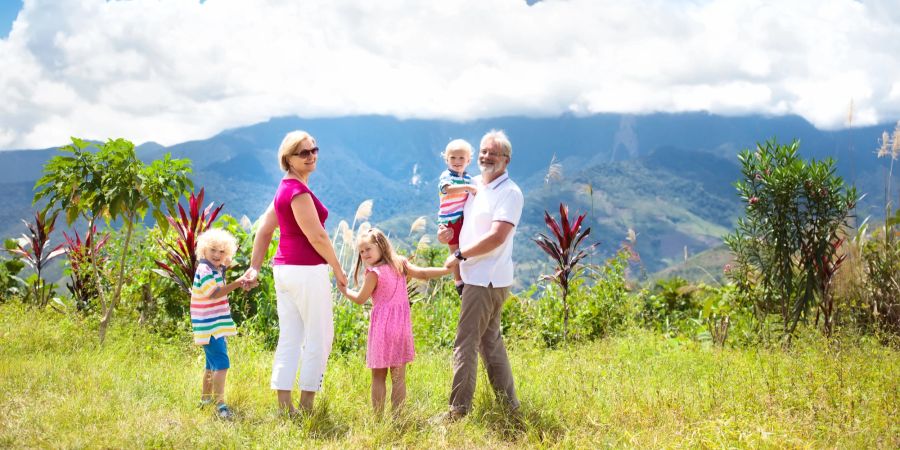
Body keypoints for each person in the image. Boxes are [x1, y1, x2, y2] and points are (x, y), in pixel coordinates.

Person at [243, 130, 348, 416]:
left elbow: (264, 230)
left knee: (290, 336)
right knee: (320, 336)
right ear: (288, 159)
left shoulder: (283, 189)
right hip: (306, 271)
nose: (311, 156)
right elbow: (318, 237)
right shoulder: (298, 193)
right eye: (303, 153)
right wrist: (338, 269)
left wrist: (254, 267)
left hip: (284, 271)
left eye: (314, 150)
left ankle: (284, 406)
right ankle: (307, 405)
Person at [438, 129, 523, 420]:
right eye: (484, 151)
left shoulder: (510, 193)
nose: (486, 157)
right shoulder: (474, 184)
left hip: (485, 279)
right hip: (475, 275)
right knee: (490, 342)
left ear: (506, 160)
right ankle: (509, 406)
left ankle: (457, 412)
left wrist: (460, 256)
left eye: (493, 153)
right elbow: (455, 216)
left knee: (466, 342)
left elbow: (497, 237)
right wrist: (445, 234)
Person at [338, 228, 450, 415]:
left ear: (381, 246)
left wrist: (345, 291)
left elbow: (360, 299)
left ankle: (378, 419)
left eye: (368, 249)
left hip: (383, 330)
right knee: (398, 378)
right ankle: (398, 418)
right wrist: (447, 269)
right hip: (401, 328)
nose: (364, 254)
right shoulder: (401, 264)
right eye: (361, 251)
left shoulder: (374, 273)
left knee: (378, 376)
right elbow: (423, 273)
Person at [191, 228, 249, 420]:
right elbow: (215, 293)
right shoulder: (204, 269)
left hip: (212, 325)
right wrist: (239, 282)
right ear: (204, 250)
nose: (217, 254)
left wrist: (243, 281)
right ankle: (220, 404)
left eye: (222, 251)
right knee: (222, 364)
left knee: (211, 364)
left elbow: (224, 274)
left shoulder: (215, 268)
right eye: (213, 250)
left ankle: (205, 400)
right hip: (210, 326)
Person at [436, 139, 478, 295]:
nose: (457, 162)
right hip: (450, 220)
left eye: (461, 158)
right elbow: (448, 190)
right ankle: (458, 281)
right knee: (455, 252)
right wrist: (468, 188)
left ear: (469, 160)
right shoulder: (446, 176)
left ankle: (468, 276)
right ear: (446, 159)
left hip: (463, 219)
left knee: (465, 248)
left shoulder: (468, 178)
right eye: (452, 158)